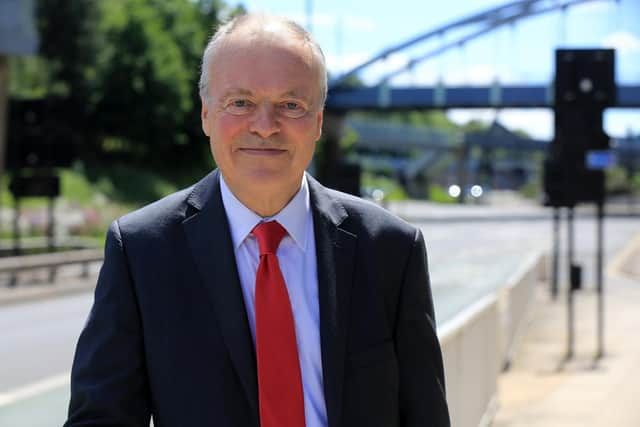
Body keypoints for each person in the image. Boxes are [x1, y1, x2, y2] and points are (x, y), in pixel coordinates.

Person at [65, 13, 450, 427]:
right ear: (206, 115)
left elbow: (424, 414)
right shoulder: (142, 251)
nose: (265, 127)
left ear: (318, 122)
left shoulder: (391, 249)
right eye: (241, 103)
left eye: (290, 105)